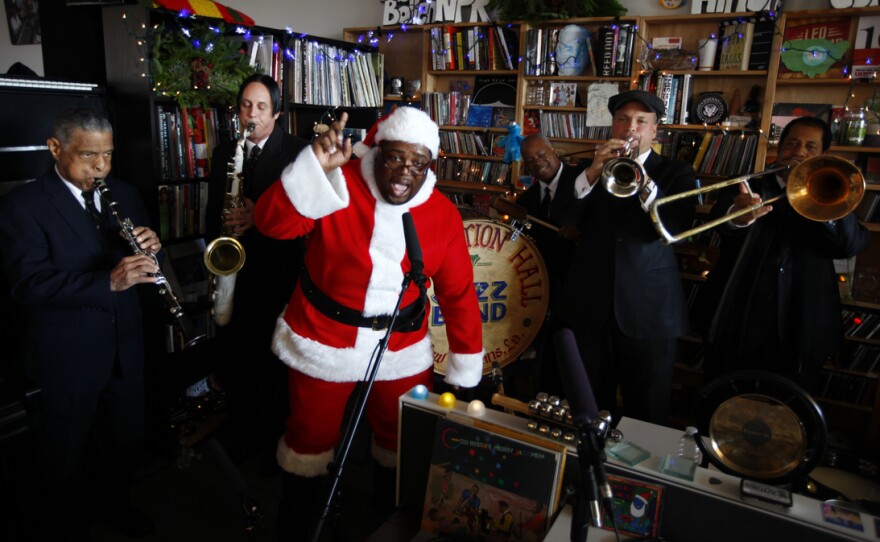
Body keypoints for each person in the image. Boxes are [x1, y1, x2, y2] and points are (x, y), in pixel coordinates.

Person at [253, 106, 484, 539]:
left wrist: (466, 368)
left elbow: (458, 295)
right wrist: (311, 174)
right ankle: (300, 519)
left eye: (418, 163)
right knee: (309, 437)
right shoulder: (339, 181)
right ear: (378, 152)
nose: (404, 173)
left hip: (401, 346)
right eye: (396, 157)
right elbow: (271, 225)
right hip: (324, 338)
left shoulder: (441, 214)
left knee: (401, 438)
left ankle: (389, 515)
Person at [0, 108, 161, 540]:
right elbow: (29, 284)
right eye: (89, 156)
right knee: (64, 459)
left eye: (108, 156)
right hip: (66, 357)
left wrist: (152, 248)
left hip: (124, 348)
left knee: (123, 447)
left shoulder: (123, 193)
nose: (101, 168)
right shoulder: (22, 206)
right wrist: (106, 281)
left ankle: (118, 509)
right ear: (56, 149)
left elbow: (140, 264)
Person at [698, 116, 869, 393]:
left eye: (810, 146)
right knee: (724, 401)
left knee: (790, 416)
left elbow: (848, 245)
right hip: (738, 320)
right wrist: (740, 216)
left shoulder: (833, 194)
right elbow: (723, 221)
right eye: (792, 143)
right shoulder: (748, 185)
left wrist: (822, 202)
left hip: (801, 326)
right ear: (779, 147)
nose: (799, 151)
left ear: (823, 155)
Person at [557, 90, 696, 425]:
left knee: (648, 408)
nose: (630, 128)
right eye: (622, 119)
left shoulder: (676, 173)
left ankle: (641, 478)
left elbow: (674, 229)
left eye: (640, 122)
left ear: (654, 131)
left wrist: (645, 184)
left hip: (651, 311)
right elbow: (562, 217)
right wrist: (593, 172)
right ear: (612, 125)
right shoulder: (586, 169)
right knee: (590, 404)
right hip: (592, 309)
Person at [204, 73, 309, 463]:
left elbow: (305, 217)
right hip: (233, 272)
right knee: (235, 357)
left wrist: (259, 216)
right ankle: (240, 432)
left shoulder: (299, 153)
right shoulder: (223, 153)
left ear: (277, 112)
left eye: (261, 107)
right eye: (246, 105)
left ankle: (270, 443)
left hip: (275, 273)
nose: (251, 114)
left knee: (271, 365)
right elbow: (214, 210)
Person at [517, 134, 585, 396]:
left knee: (576, 360)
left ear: (554, 151)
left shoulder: (582, 181)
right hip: (544, 290)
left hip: (579, 287)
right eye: (530, 160)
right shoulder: (526, 202)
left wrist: (580, 232)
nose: (537, 162)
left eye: (541, 155)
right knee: (549, 358)